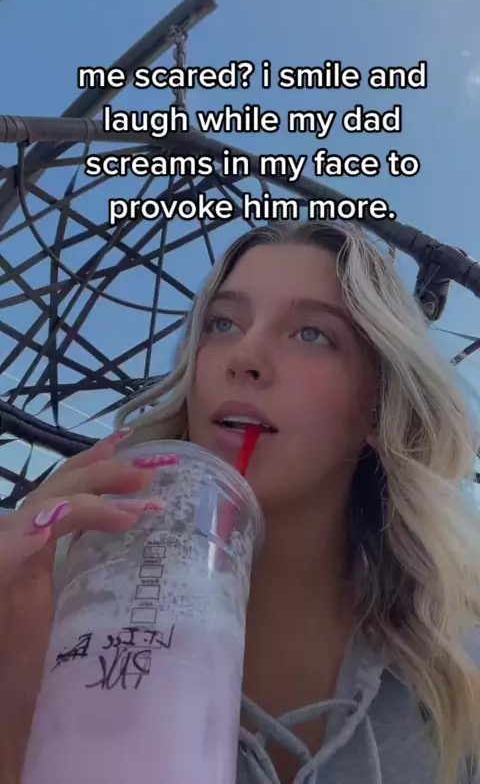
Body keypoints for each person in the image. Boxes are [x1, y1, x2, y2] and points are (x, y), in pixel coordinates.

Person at [1, 220, 479, 784]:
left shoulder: (455, 657)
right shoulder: (45, 584)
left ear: (378, 406)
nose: (244, 356)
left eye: (311, 334)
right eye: (222, 324)